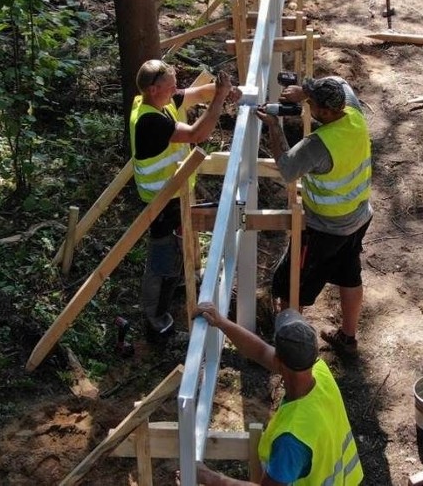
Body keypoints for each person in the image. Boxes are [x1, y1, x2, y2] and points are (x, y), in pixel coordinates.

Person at [256, 77, 372, 354]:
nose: (311, 109)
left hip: (325, 229)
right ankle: (348, 337)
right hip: (358, 218)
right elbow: (343, 81)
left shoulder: (318, 144)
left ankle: (290, 349)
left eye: (313, 106)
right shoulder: (354, 115)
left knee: (292, 286)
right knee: (349, 275)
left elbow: (287, 168)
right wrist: (306, 91)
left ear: (328, 111)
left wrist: (273, 125)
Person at [129, 59, 239, 343]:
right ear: (154, 89)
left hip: (173, 196)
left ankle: (176, 285)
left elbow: (198, 94)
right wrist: (220, 99)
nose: (177, 88)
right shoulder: (150, 121)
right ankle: (157, 325)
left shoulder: (158, 103)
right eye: (171, 83)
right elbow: (197, 135)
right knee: (162, 260)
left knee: (176, 251)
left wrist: (225, 89)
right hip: (161, 201)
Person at [194, 302, 363, 486]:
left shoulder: (291, 441)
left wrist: (211, 478)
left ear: (279, 362)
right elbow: (260, 351)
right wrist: (222, 323)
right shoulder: (319, 371)